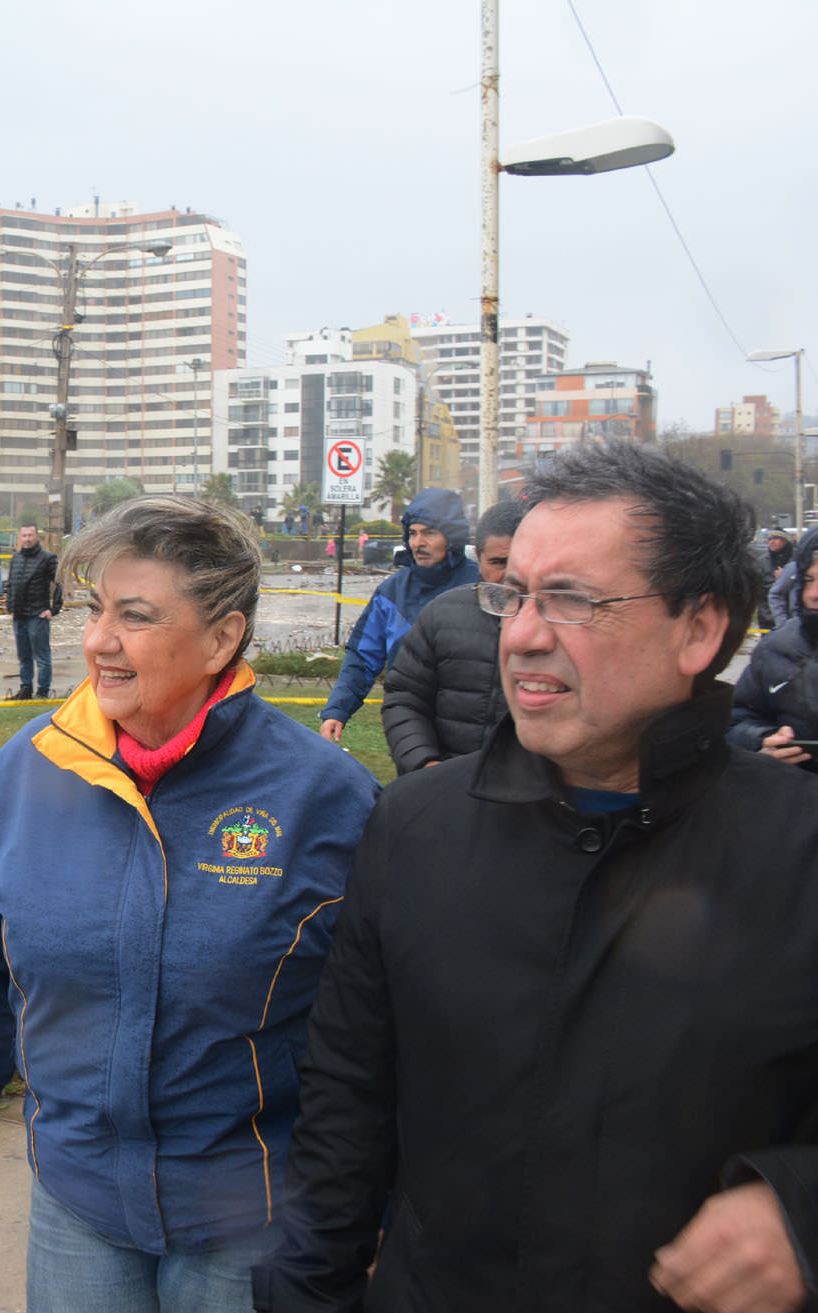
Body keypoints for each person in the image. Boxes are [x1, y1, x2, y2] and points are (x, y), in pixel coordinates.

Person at [259, 440, 818, 1313]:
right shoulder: (412, 829)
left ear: (699, 629)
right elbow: (345, 1112)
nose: (518, 634)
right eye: (512, 595)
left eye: (569, 601)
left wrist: (798, 1208)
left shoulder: (799, 851)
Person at [0, 495, 379, 1313]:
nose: (98, 641)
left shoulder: (326, 799)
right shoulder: (20, 779)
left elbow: (384, 1026)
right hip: (76, 1204)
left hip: (251, 1215)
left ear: (222, 637)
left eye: (135, 616)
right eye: (95, 610)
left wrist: (372, 1200)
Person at [317, 489, 478, 743]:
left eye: (429, 533)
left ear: (452, 537)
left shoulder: (480, 586)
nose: (418, 543)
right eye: (413, 533)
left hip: (471, 725)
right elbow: (362, 656)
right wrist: (338, 709)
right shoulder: (391, 591)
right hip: (410, 722)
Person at [378, 498, 524, 774]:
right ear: (478, 559)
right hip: (443, 788)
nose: (509, 574)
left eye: (518, 561)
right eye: (498, 562)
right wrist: (424, 764)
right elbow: (404, 698)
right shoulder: (441, 615)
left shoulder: (560, 625)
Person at [729, 524, 818, 773]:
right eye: (808, 580)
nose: (813, 594)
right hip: (795, 801)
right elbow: (737, 719)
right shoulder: (775, 649)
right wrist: (761, 741)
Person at [3, 522, 59, 699]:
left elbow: (60, 583)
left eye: (30, 535)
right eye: (24, 535)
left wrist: (53, 609)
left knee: (42, 656)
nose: (27, 539)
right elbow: (11, 584)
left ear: (37, 537)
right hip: (19, 615)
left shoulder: (48, 558)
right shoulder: (16, 558)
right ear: (20, 537)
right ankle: (25, 689)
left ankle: (42, 691)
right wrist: (10, 607)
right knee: (24, 655)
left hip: (38, 614)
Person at [756, 528, 794, 631]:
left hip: (792, 617)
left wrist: (785, 577)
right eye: (770, 539)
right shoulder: (762, 561)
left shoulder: (795, 560)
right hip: (767, 618)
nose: (772, 542)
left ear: (785, 541)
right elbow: (758, 588)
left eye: (776, 539)